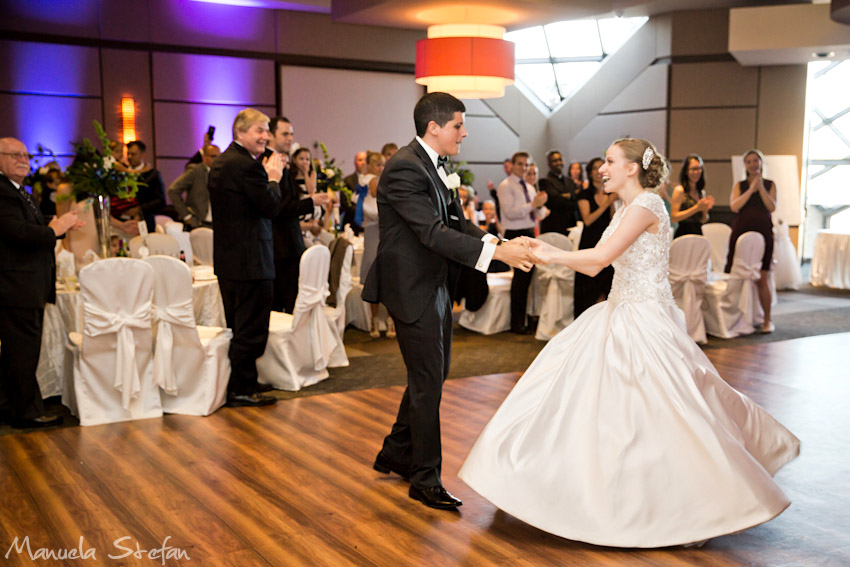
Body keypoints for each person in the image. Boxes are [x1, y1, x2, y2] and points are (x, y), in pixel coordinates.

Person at [459, 138, 800, 548]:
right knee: (601, 408)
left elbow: (599, 260)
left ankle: (682, 505)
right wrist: (552, 252)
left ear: (632, 168)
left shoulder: (646, 206)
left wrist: (549, 253)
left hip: (644, 318)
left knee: (665, 413)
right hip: (620, 309)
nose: (602, 168)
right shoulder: (626, 208)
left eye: (609, 161)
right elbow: (599, 264)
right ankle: (592, 493)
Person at [362, 92, 537, 511]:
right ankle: (425, 479)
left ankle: (395, 452)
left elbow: (456, 224)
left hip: (434, 285)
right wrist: (500, 256)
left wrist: (502, 243)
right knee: (428, 382)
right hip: (411, 289)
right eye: (459, 124)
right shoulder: (404, 167)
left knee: (432, 377)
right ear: (434, 127)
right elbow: (432, 234)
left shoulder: (436, 166)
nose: (465, 131)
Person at [0, 137, 82, 428]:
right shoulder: (2, 192)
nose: (24, 159)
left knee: (17, 350)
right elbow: (17, 233)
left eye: (25, 154)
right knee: (23, 351)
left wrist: (62, 224)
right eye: (14, 155)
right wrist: (54, 229)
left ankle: (11, 405)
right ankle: (27, 413)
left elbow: (31, 226)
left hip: (24, 283)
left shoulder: (19, 191)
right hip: (15, 285)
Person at [208, 109, 284, 407]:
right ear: (240, 132)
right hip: (251, 260)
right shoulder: (248, 167)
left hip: (229, 259)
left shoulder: (221, 162)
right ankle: (241, 388)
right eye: (259, 130)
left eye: (267, 130)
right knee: (251, 328)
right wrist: (274, 179)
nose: (265, 136)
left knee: (239, 324)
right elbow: (271, 207)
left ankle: (245, 380)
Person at [268, 117, 329, 313]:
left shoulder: (282, 164)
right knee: (285, 303)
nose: (290, 138)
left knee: (292, 301)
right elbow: (280, 207)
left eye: (291, 134)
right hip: (281, 244)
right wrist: (311, 202)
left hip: (289, 242)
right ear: (271, 135)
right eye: (285, 134)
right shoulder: (269, 164)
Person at [726, 149, 777, 333]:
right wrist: (750, 190)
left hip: (764, 233)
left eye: (756, 161)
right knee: (738, 274)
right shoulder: (739, 185)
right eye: (749, 161)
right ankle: (738, 320)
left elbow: (772, 206)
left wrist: (760, 187)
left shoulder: (770, 184)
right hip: (741, 231)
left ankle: (767, 319)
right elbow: (734, 206)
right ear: (745, 165)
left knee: (762, 277)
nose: (753, 164)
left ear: (761, 163)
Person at [497, 151, 548, 334]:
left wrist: (540, 205)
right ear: (512, 165)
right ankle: (516, 323)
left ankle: (525, 319)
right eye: (520, 164)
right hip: (514, 232)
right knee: (520, 280)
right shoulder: (506, 186)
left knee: (527, 279)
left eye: (526, 165)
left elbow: (539, 215)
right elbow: (510, 212)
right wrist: (533, 205)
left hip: (528, 231)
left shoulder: (529, 187)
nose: (523, 168)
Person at [573, 157, 617, 318]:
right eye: (595, 169)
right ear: (590, 173)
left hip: (607, 242)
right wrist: (606, 202)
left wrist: (611, 202)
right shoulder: (585, 194)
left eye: (601, 167)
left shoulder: (610, 192)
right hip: (590, 241)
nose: (599, 171)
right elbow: (588, 219)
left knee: (607, 282)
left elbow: (613, 219)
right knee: (588, 285)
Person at [359, 151, 393, 339]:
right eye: (378, 165)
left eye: (382, 164)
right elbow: (375, 193)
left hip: (384, 228)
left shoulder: (372, 179)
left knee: (388, 274)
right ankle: (374, 320)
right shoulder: (371, 180)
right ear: (370, 166)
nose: (381, 168)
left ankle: (389, 320)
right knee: (374, 272)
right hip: (374, 229)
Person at [168, 144, 220, 229]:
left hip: (216, 224)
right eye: (213, 156)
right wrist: (186, 216)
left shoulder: (220, 173)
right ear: (204, 157)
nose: (217, 160)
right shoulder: (196, 170)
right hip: (198, 223)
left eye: (219, 157)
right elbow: (173, 190)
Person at [671, 154, 714, 238]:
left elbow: (703, 220)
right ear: (686, 171)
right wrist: (696, 208)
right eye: (694, 169)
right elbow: (674, 217)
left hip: (698, 233)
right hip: (683, 234)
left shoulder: (701, 192)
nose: (697, 172)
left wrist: (705, 209)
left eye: (699, 168)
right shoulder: (680, 190)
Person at [539, 150, 580, 235]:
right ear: (549, 164)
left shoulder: (570, 181)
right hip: (553, 227)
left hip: (570, 225)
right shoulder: (544, 181)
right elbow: (555, 201)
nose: (558, 163)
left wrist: (568, 196)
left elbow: (577, 199)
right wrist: (571, 196)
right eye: (555, 161)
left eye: (560, 160)